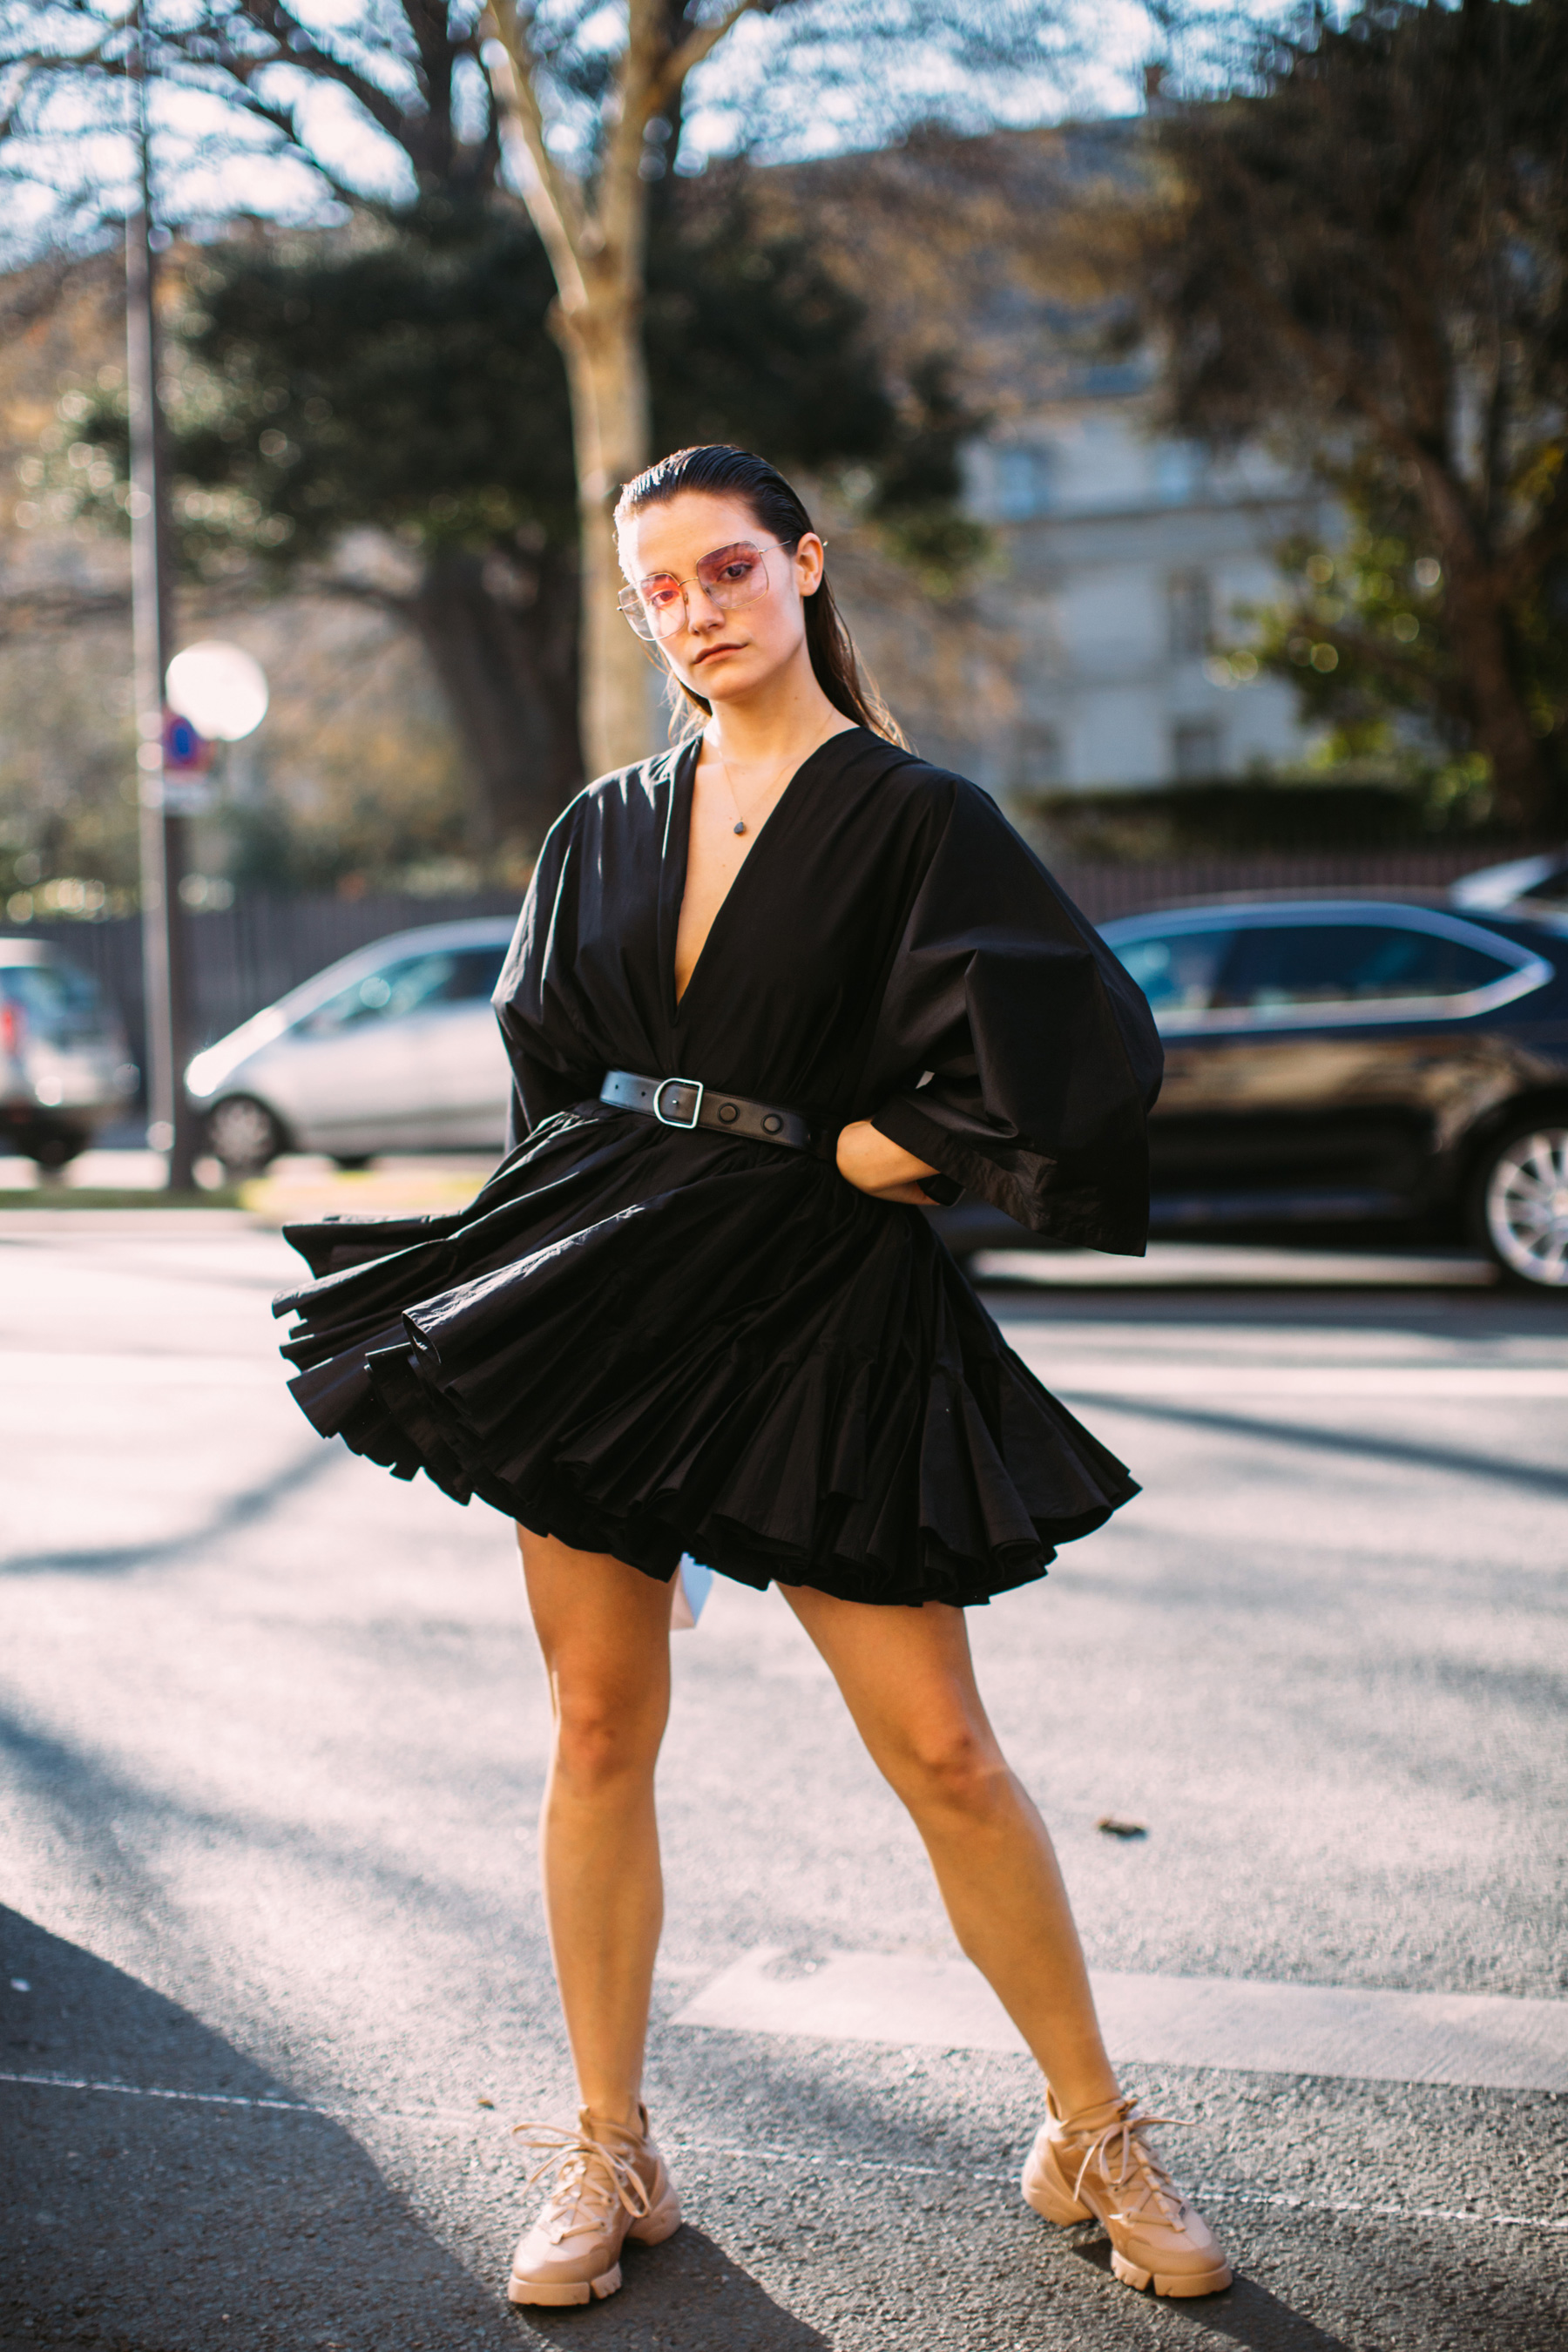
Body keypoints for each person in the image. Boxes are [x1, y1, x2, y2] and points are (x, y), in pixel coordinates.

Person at [274, 443, 1232, 2308]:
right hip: (606, 1292)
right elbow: (547, 1070)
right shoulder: (601, 823)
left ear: (805, 566)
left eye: (727, 572)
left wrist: (896, 1151)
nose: (695, 614)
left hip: (818, 1300)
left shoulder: (913, 814)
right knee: (599, 1730)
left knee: (945, 1751)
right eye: (662, 591)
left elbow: (1085, 1046)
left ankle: (1091, 2126)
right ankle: (609, 2149)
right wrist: (563, 1282)